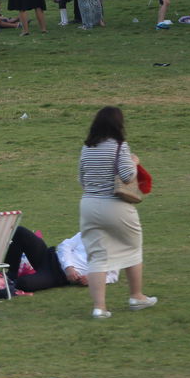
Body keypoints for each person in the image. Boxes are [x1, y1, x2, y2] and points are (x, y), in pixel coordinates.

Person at [78, 106, 156, 319]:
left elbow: (81, 179)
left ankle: (99, 307)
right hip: (114, 205)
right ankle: (136, 296)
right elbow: (128, 175)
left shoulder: (87, 148)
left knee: (97, 255)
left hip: (88, 205)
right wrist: (134, 161)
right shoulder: (120, 147)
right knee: (132, 247)